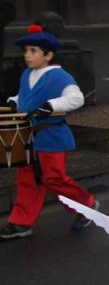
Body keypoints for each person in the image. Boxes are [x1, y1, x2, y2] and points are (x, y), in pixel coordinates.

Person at [0, 25, 93, 240]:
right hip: (28, 137)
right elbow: (26, 98)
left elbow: (76, 98)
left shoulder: (59, 76)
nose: (27, 55)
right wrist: (15, 102)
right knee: (27, 179)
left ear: (48, 55)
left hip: (51, 136)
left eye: (33, 51)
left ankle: (86, 206)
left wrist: (51, 106)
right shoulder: (27, 74)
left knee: (54, 178)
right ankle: (21, 222)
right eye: (26, 51)